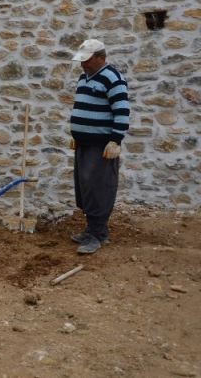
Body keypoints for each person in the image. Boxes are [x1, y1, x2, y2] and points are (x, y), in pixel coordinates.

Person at [69, 39, 129, 254]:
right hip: (84, 144)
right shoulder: (84, 77)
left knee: (99, 189)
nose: (82, 64)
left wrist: (115, 140)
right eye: (82, 60)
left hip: (102, 147)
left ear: (100, 58)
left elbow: (122, 111)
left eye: (87, 61)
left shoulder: (113, 79)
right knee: (85, 189)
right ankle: (92, 229)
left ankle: (97, 235)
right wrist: (77, 133)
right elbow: (82, 107)